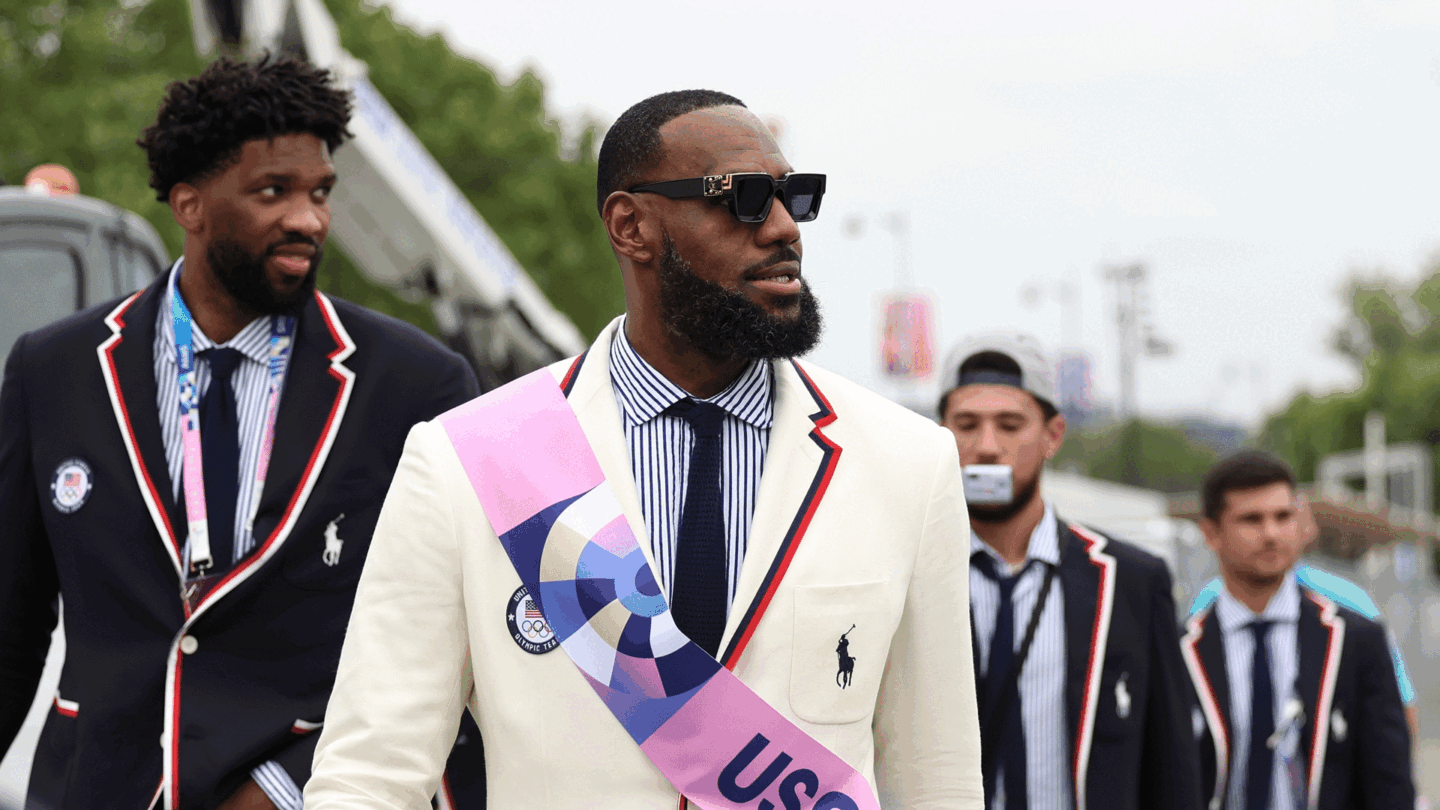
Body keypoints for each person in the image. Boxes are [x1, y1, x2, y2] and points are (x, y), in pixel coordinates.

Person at [306, 90, 984, 809]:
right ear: (631, 226)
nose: (785, 228)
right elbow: (370, 775)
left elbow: (936, 779)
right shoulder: (465, 461)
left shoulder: (908, 465)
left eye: (795, 198)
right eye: (747, 199)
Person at [0, 55, 485, 810]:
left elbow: (446, 645)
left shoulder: (417, 384)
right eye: (274, 192)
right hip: (95, 787)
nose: (309, 218)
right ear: (190, 205)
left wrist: (289, 785)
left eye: (320, 192)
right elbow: (11, 622)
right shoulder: (51, 368)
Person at [939, 332, 1201, 810]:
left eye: (1011, 424)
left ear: (1052, 436)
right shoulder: (910, 576)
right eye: (967, 424)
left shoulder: (1130, 581)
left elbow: (1172, 766)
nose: (988, 446)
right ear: (940, 434)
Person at [1183, 451, 1414, 810]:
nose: (1271, 533)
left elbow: (1389, 780)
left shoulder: (1356, 640)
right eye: (1251, 520)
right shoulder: (1179, 649)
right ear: (1211, 532)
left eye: (1283, 517)